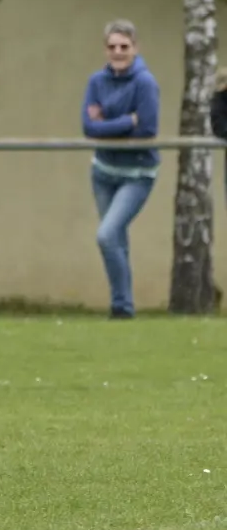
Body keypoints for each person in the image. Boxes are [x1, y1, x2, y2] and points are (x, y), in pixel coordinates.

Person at [81, 19, 160, 319]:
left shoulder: (145, 82)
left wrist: (106, 124)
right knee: (116, 240)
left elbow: (147, 128)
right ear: (105, 50)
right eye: (112, 46)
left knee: (106, 235)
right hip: (103, 171)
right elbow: (89, 128)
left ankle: (120, 305)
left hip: (137, 174)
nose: (118, 52)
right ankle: (124, 307)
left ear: (135, 48)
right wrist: (128, 120)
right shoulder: (96, 82)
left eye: (124, 46)